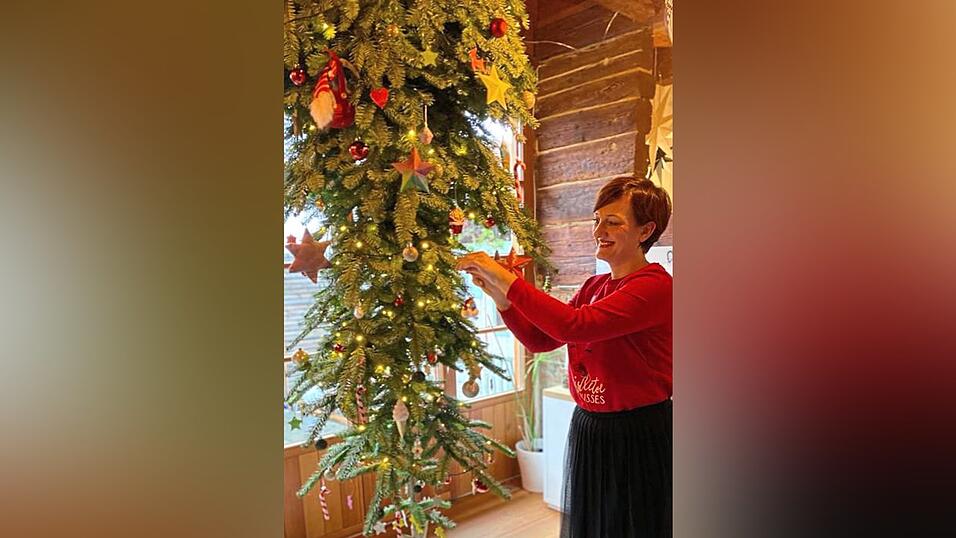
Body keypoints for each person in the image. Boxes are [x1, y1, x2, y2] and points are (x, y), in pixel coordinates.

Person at [456, 176, 673, 538]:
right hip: (590, 427)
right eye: (597, 220)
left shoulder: (655, 286)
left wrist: (508, 280)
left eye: (613, 222)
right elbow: (541, 339)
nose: (599, 230)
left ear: (645, 230)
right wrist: (501, 299)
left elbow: (574, 325)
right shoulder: (594, 286)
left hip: (638, 432)